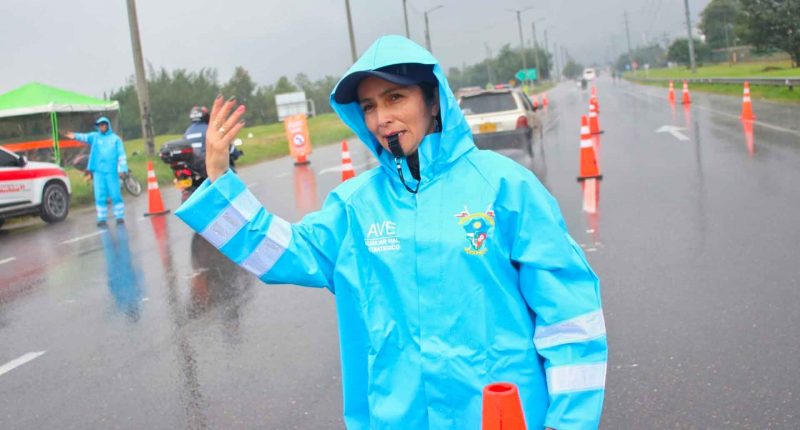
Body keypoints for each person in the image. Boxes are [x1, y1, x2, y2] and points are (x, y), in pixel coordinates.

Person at [176, 35, 607, 429]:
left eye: (395, 97)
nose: (381, 118)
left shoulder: (505, 187)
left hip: (501, 418)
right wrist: (219, 182)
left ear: (433, 101)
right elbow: (280, 251)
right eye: (368, 106)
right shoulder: (355, 206)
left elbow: (570, 318)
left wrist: (567, 423)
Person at [66, 117, 128, 226]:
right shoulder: (95, 137)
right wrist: (74, 135)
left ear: (107, 125)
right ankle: (101, 218)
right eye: (100, 125)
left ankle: (119, 216)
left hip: (111, 171)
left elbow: (121, 154)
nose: (102, 126)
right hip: (98, 171)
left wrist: (122, 168)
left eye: (103, 124)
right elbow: (84, 137)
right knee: (100, 195)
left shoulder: (115, 139)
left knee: (115, 193)